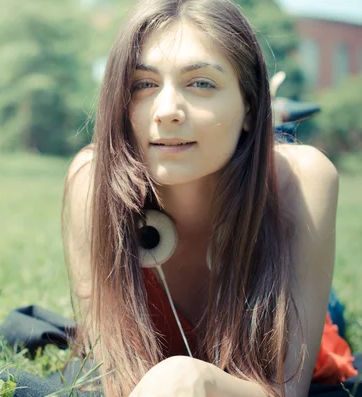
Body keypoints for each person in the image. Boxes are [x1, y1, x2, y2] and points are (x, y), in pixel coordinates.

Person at [62, 0, 346, 396]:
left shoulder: (302, 181)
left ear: (250, 105)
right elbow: (115, 380)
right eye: (143, 84)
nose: (167, 111)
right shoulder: (92, 183)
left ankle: (273, 117)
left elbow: (287, 389)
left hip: (287, 271)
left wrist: (193, 379)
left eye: (201, 83)